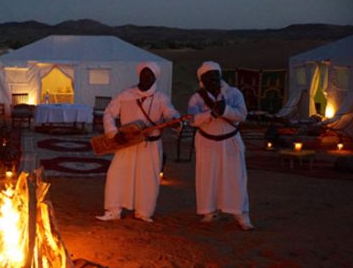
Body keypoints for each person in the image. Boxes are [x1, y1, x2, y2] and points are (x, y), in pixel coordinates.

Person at [96, 62, 181, 223]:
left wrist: (175, 121)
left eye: (150, 75)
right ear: (139, 75)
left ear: (155, 77)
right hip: (127, 143)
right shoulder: (126, 94)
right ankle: (113, 210)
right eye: (144, 73)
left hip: (150, 145)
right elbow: (109, 113)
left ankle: (144, 212)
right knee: (117, 175)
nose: (146, 77)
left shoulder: (162, 98)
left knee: (148, 178)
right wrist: (114, 133)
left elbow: (171, 113)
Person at [188, 61, 254, 230]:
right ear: (202, 80)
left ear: (220, 76)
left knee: (235, 178)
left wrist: (225, 110)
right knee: (207, 177)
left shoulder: (233, 93)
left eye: (215, 76)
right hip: (207, 143)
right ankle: (209, 211)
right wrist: (211, 114)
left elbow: (242, 115)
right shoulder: (196, 98)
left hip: (230, 142)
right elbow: (193, 120)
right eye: (208, 77)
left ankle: (241, 214)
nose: (213, 80)